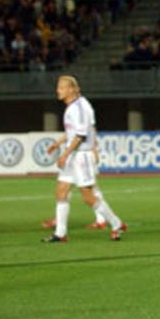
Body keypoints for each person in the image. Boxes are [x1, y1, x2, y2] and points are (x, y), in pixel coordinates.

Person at [42, 76, 127, 243]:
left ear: (72, 90)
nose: (57, 90)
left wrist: (65, 153)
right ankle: (60, 234)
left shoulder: (79, 107)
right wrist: (58, 143)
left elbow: (81, 135)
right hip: (74, 153)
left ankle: (116, 223)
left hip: (81, 156)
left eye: (61, 87)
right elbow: (74, 132)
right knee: (61, 191)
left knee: (88, 197)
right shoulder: (73, 106)